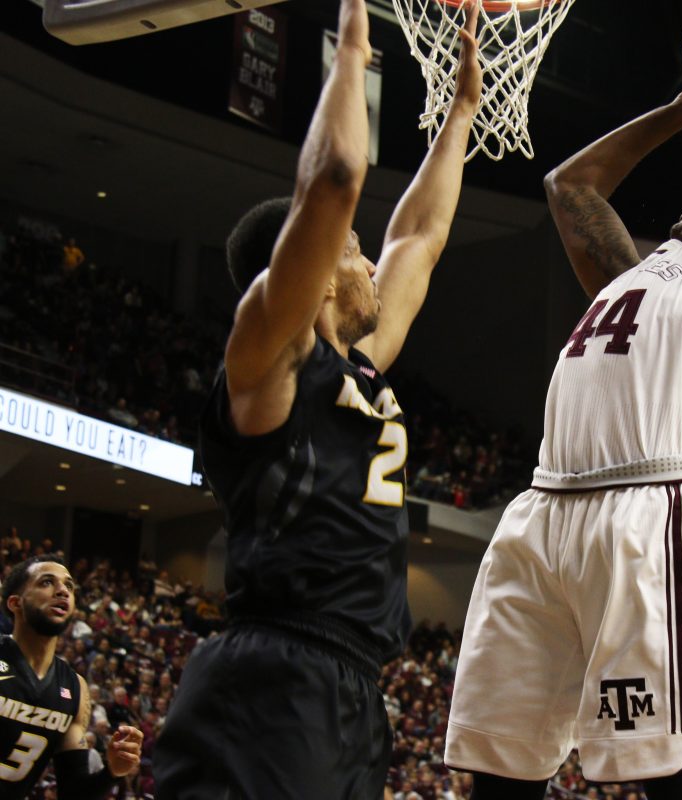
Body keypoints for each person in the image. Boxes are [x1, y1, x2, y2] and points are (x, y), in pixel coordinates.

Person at [444, 1, 682, 796]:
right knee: (498, 772)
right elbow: (568, 185)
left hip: (647, 513)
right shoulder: (637, 275)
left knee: (676, 769)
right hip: (541, 512)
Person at [151, 0, 482, 797]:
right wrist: (350, 62)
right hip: (272, 678)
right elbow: (332, 180)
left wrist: (462, 114)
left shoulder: (359, 363)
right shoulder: (269, 361)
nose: (373, 266)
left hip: (352, 688)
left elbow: (421, 239)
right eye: (356, 252)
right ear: (317, 259)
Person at [0, 556, 143, 798]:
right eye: (47, 582)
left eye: (69, 586)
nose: (62, 591)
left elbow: (73, 793)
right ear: (16, 603)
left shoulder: (75, 688)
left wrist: (112, 772)